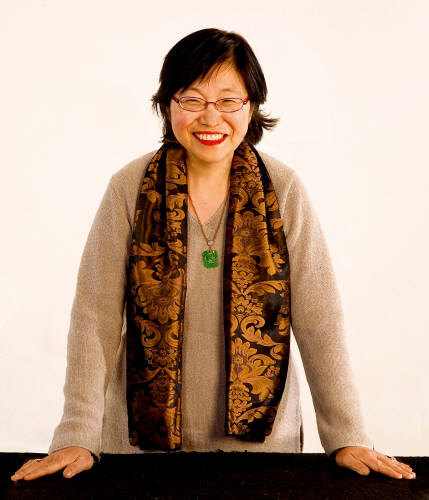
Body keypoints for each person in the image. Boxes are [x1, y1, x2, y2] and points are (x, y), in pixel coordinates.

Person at [12, 28, 415, 482]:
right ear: (168, 105)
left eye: (227, 100)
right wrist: (77, 434)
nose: (210, 117)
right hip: (139, 452)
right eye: (192, 99)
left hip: (265, 453)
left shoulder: (283, 189)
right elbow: (95, 316)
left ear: (251, 106)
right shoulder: (129, 187)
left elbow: (319, 319)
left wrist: (348, 435)